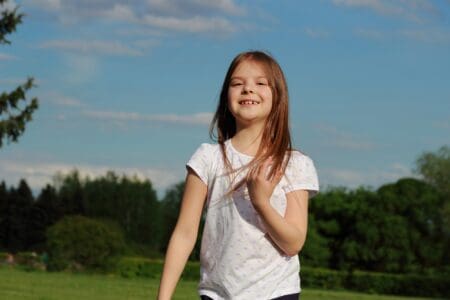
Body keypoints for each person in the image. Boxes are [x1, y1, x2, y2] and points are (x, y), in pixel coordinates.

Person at [157, 50, 319, 300]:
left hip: (277, 293)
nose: (248, 89)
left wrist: (261, 202)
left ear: (278, 96)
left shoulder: (295, 164)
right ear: (226, 97)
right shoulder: (207, 158)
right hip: (217, 294)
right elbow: (185, 233)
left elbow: (293, 243)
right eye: (237, 84)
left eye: (260, 83)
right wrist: (164, 297)